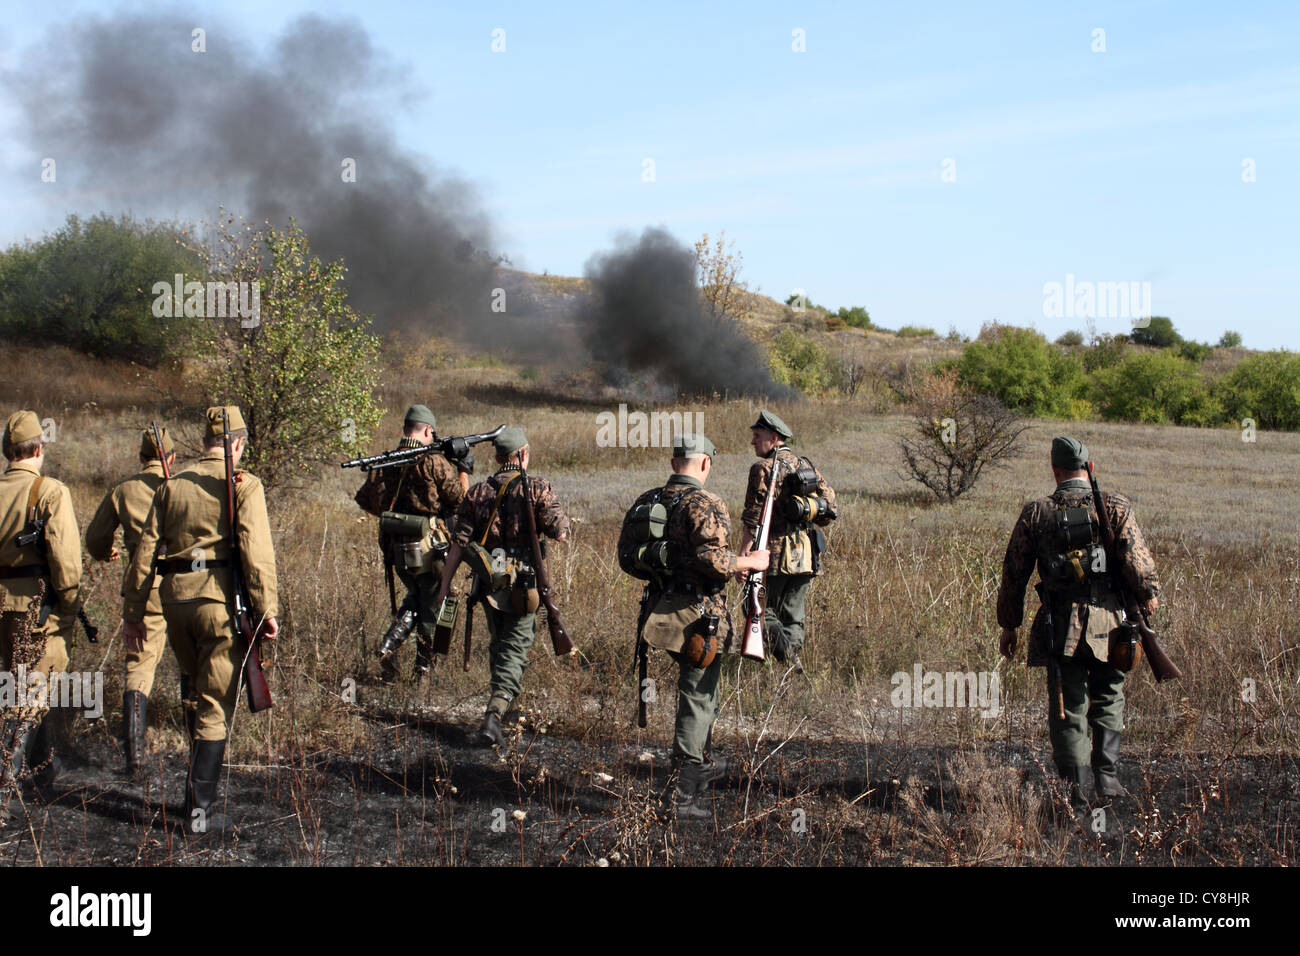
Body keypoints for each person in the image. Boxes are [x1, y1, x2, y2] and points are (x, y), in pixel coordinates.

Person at [122, 406, 279, 833]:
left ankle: (192, 800)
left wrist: (133, 613)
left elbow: (144, 555)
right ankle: (199, 814)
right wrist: (267, 610)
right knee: (215, 702)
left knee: (195, 689)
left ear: (204, 441)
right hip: (219, 604)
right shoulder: (243, 484)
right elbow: (257, 553)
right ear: (238, 443)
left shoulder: (171, 485)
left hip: (175, 604)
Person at [997, 436, 1161, 805]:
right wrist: (1148, 597)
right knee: (1109, 697)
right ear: (1091, 467)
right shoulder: (1115, 506)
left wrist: (1010, 625)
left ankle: (1077, 791)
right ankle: (1107, 779)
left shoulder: (1036, 512)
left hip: (1060, 627)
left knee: (1068, 706)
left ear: (1054, 469)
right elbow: (1137, 563)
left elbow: (1014, 574)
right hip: (1112, 625)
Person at [617, 434, 769, 820]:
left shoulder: (648, 500)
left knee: (704, 693)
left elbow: (626, 558)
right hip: (699, 618)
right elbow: (714, 560)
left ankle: (700, 765)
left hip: (659, 612)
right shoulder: (704, 502)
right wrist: (750, 562)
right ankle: (682, 792)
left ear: (674, 463)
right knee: (698, 696)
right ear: (705, 464)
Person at [435, 427, 570, 748]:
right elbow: (561, 533)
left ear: (497, 459)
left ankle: (507, 712)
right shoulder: (537, 488)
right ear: (523, 454)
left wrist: (444, 585)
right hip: (524, 585)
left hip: (489, 583)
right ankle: (494, 716)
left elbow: (458, 544)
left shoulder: (477, 492)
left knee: (499, 645)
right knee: (515, 650)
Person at [0, 410, 82, 819]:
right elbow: (66, 560)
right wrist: (69, 604)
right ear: (38, 449)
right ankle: (3, 789)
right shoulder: (49, 491)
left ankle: (42, 768)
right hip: (34, 607)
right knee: (30, 693)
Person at [85, 426, 176, 775]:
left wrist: (107, 552)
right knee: (195, 661)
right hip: (188, 583)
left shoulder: (122, 491)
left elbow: (95, 540)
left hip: (144, 586)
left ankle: (134, 758)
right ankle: (201, 749)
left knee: (139, 665)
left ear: (141, 457)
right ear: (171, 458)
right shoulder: (183, 486)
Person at [354, 405, 466, 681]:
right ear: (428, 430)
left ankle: (389, 645)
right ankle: (423, 670)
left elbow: (365, 500)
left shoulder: (385, 461)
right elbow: (460, 500)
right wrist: (464, 468)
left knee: (417, 596)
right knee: (435, 604)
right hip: (429, 549)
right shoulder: (433, 461)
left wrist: (397, 519)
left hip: (396, 549)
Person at [738, 410, 836, 670]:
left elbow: (753, 518)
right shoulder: (806, 466)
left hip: (773, 555)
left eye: (757, 436)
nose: (752, 441)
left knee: (757, 605)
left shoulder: (762, 468)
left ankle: (787, 660)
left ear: (773, 437)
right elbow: (830, 508)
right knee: (792, 615)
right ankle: (791, 670)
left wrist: (744, 557)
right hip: (807, 554)